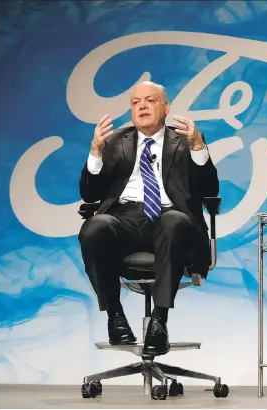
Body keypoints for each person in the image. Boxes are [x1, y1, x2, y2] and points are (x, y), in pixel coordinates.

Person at [78, 80, 219, 356]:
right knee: (95, 226)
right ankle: (115, 317)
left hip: (171, 219)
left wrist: (199, 146)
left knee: (173, 221)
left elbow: (210, 190)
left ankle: (159, 320)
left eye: (150, 100)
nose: (142, 106)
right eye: (135, 102)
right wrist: (95, 151)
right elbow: (88, 193)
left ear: (165, 107)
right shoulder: (116, 141)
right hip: (124, 220)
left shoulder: (186, 141)